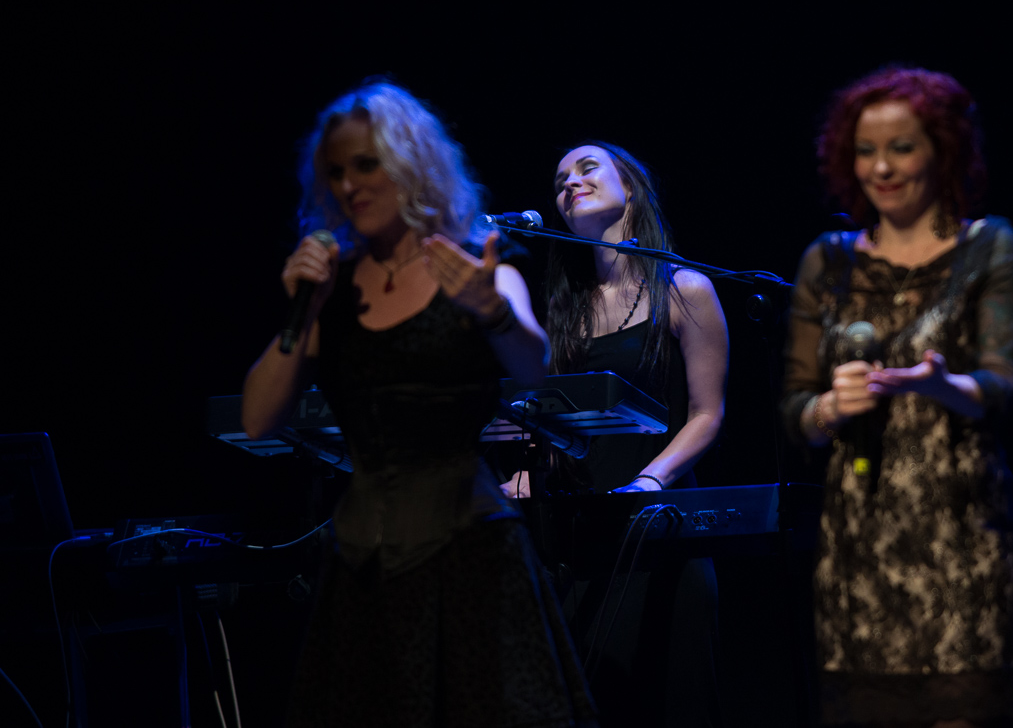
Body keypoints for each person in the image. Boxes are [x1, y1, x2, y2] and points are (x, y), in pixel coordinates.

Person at [241, 81, 596, 727]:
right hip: (363, 569)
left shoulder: (476, 267)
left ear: (410, 163)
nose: (349, 185)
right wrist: (303, 310)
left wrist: (492, 312)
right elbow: (257, 419)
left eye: (365, 164)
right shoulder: (333, 293)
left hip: (471, 556)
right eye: (335, 172)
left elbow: (534, 369)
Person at [782, 67, 1013, 726]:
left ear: (941, 151)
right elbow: (794, 410)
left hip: (962, 542)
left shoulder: (987, 246)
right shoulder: (826, 262)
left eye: (901, 148)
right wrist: (830, 408)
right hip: (859, 550)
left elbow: (1004, 384)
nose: (882, 168)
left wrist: (942, 384)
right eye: (866, 151)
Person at [502, 142, 729, 728]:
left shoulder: (684, 289)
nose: (569, 184)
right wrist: (530, 470)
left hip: (662, 527)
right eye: (560, 179)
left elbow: (707, 414)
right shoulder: (563, 311)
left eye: (586, 169)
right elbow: (554, 419)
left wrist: (649, 481)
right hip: (581, 538)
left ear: (629, 187)